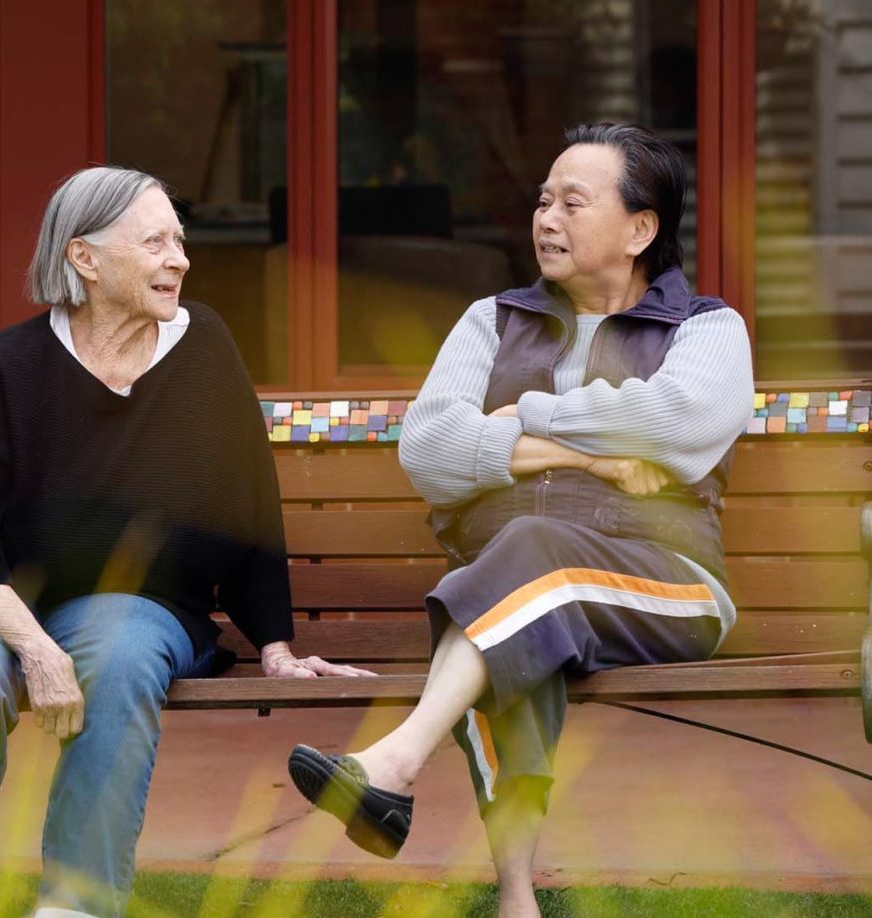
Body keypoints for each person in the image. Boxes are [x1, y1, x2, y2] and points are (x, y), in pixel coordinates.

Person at [288, 123, 754, 917]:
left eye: (573, 202)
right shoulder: (489, 321)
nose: (547, 218)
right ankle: (515, 900)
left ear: (640, 228)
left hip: (667, 586)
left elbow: (672, 424)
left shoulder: (707, 330)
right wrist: (588, 455)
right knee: (511, 603)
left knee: (503, 583)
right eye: (542, 200)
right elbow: (428, 449)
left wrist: (522, 417)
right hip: (526, 585)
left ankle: (396, 762)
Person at [0, 166, 370, 918]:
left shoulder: (202, 347)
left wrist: (273, 642)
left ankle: (74, 907)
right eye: (155, 242)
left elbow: (247, 508)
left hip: (133, 604)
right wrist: (36, 649)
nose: (179, 258)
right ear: (84, 259)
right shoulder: (8, 367)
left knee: (117, 652)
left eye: (179, 240)